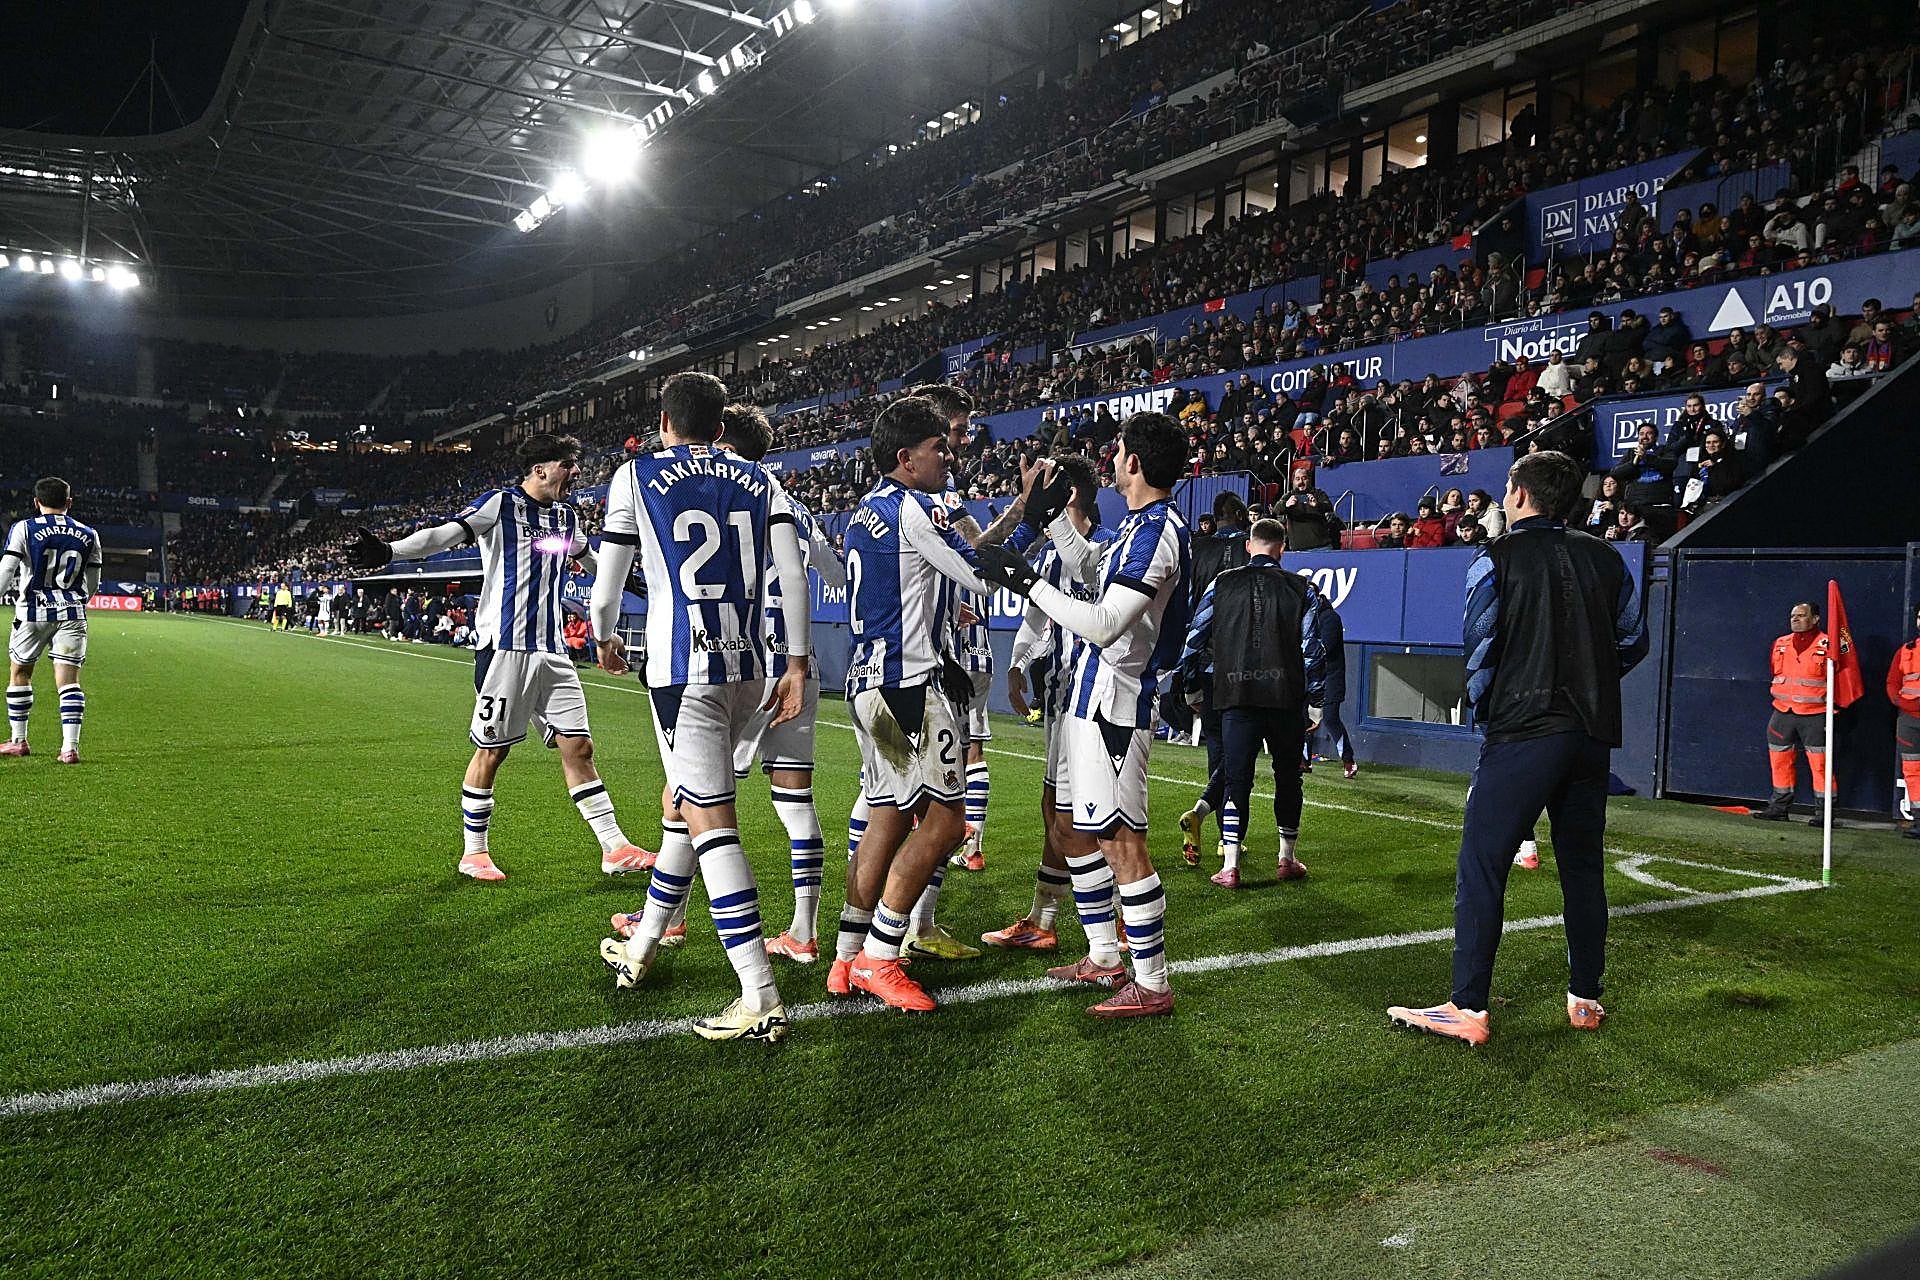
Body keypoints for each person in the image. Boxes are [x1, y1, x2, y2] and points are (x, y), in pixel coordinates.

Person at [1387, 450, 1647, 1046]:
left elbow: (1478, 647)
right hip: (1590, 732)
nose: (1504, 496)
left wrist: (1487, 713)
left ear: (1522, 495)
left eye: (1508, 488)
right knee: (1582, 868)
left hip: (1525, 728)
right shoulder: (1608, 558)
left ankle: (1468, 1006)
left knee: (1483, 862)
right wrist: (1592, 680)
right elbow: (1632, 640)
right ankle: (1585, 998)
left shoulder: (1493, 559)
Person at [589, 373, 811, 1043]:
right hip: (751, 664)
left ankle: (758, 993)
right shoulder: (758, 478)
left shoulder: (635, 476)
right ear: (721, 427)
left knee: (712, 822)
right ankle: (645, 943)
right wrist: (796, 662)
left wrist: (602, 637)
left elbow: (606, 585)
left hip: (682, 671)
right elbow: (793, 573)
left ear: (664, 422)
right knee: (686, 805)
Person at [347, 436, 655, 883]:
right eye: (568, 464)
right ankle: (474, 852)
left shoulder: (567, 518)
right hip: (503, 648)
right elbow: (446, 535)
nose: (576, 473)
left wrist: (632, 580)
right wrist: (391, 553)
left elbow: (592, 560)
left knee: (579, 747)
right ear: (540, 469)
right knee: (492, 751)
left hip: (552, 650)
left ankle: (614, 847)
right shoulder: (501, 504)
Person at [976, 410, 1193, 1018]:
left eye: (1120, 448)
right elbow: (1089, 572)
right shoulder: (1141, 525)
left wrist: (1026, 583)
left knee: (1124, 839)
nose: (1114, 456)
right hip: (1085, 700)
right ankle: (1102, 956)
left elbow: (1103, 623)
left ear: (1135, 463)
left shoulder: (1159, 530)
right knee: (1079, 827)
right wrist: (1047, 521)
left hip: (1114, 703)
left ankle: (1151, 982)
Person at [828, 395, 998, 1013]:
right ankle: (881, 954)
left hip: (867, 688)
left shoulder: (862, 513)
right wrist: (1032, 517)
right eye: (938, 448)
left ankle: (846, 956)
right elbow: (978, 574)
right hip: (911, 689)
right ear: (907, 458)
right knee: (948, 821)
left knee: (887, 817)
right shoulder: (914, 510)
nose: (947, 457)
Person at [717, 403, 848, 964]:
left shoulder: (722, 494)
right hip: (799, 665)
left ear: (723, 443)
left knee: (690, 796)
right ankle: (803, 929)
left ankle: (666, 919)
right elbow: (840, 575)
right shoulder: (796, 507)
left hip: (736, 661)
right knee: (795, 801)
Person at [983, 456, 1111, 950]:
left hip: (1095, 701)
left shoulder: (1104, 550)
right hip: (1061, 698)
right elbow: (1039, 614)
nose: (1029, 492)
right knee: (1054, 809)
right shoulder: (1053, 555)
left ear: (1068, 494)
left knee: (1088, 817)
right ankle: (1044, 919)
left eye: (1041, 485)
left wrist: (1048, 511)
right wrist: (1017, 664)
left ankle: (1113, 922)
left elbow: (1083, 571)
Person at [1179, 517, 1325, 888]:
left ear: (1249, 545)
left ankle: (1229, 865)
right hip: (1285, 698)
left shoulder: (1221, 584)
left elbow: (1194, 638)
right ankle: (1286, 858)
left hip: (1234, 695)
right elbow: (1312, 649)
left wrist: (1192, 688)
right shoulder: (1301, 587)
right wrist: (1317, 701)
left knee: (1236, 779)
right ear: (1283, 548)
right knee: (1288, 778)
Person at [0, 477, 102, 763]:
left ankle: (18, 740)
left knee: (20, 673)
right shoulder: (88, 533)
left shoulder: (24, 528)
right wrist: (76, 601)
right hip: (72, 613)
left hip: (32, 612)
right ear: (69, 502)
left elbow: (7, 570)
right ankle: (70, 748)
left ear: (36, 502)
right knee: (69, 682)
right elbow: (93, 582)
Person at [1175, 490, 1254, 860]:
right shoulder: (1250, 550)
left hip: (1206, 664)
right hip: (1243, 665)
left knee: (1218, 747)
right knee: (1242, 753)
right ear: (1240, 515)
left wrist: (1189, 677)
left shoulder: (1198, 550)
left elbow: (1191, 608)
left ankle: (1216, 824)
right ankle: (1228, 834)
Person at [1752, 601, 1835, 823]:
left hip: (1815, 714)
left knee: (1821, 764)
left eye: (1801, 615)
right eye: (1792, 616)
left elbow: (1844, 676)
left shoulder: (1830, 644)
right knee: (1779, 760)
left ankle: (1824, 813)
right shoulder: (1781, 643)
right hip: (1782, 712)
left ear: (1816, 619)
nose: (1795, 619)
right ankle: (1779, 807)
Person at [1304, 591, 1354, 778]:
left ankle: (1348, 761)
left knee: (1331, 718)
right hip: (1310, 677)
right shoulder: (1306, 618)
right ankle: (1303, 761)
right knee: (1304, 719)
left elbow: (1327, 647)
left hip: (1331, 678)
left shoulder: (1330, 618)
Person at [1890, 604, 1920, 840]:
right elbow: (1893, 683)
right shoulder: (1906, 650)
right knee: (1911, 769)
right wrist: (1903, 703)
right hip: (1909, 719)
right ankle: (1919, 819)